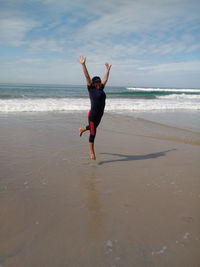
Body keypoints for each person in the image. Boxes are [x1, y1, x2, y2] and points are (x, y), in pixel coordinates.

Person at [79, 56, 112, 160]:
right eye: (96, 82)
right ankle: (91, 152)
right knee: (93, 132)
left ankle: (83, 129)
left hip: (100, 114)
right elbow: (87, 77)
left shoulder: (101, 88)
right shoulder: (91, 89)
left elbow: (105, 79)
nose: (98, 83)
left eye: (99, 82)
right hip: (93, 115)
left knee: (93, 128)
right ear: (93, 83)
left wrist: (107, 70)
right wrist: (83, 64)